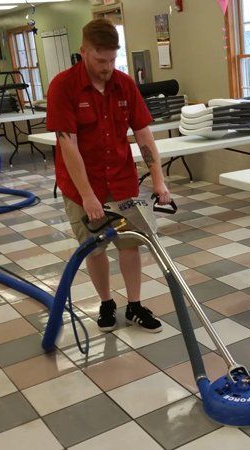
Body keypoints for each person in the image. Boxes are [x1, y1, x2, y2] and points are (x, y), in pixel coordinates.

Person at [46, 19, 170, 333]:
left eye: (113, 59)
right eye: (101, 60)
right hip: (81, 186)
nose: (108, 67)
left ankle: (134, 305)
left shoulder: (124, 84)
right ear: (83, 52)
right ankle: (106, 302)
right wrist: (87, 195)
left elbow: (143, 135)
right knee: (94, 247)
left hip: (122, 179)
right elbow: (67, 145)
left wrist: (158, 179)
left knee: (130, 244)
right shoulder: (64, 86)